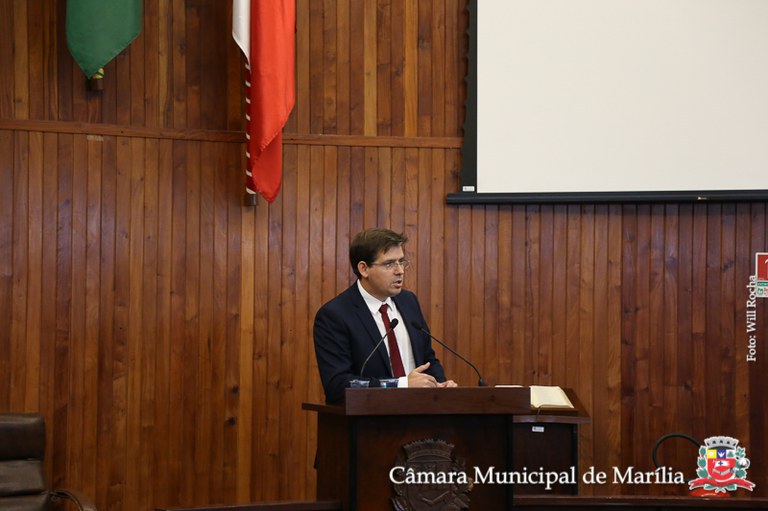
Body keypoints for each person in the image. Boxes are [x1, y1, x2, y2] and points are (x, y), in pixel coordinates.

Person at [313, 228, 457, 403]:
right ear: (364, 269)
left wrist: (441, 384)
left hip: (421, 414)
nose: (400, 271)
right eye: (389, 264)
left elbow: (427, 359)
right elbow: (337, 386)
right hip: (372, 423)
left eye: (402, 262)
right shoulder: (335, 315)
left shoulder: (408, 302)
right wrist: (401, 384)